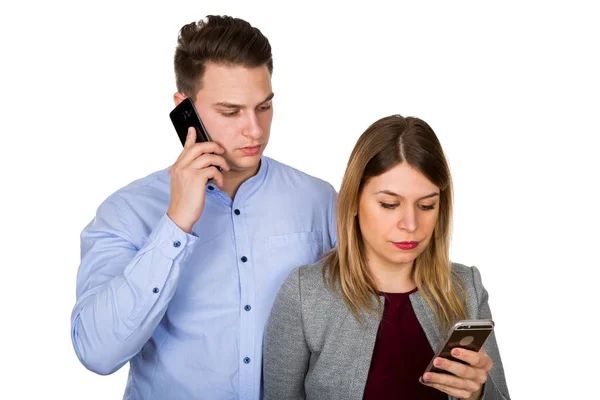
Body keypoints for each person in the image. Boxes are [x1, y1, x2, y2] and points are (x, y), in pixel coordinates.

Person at [70, 15, 337, 400]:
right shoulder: (127, 211)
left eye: (263, 107)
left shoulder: (318, 200)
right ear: (184, 109)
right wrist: (176, 224)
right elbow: (97, 353)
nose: (255, 130)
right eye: (230, 112)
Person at [263, 115, 510, 400]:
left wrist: (478, 393)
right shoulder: (305, 293)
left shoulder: (466, 287)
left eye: (426, 205)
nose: (410, 224)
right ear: (354, 201)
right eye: (389, 204)